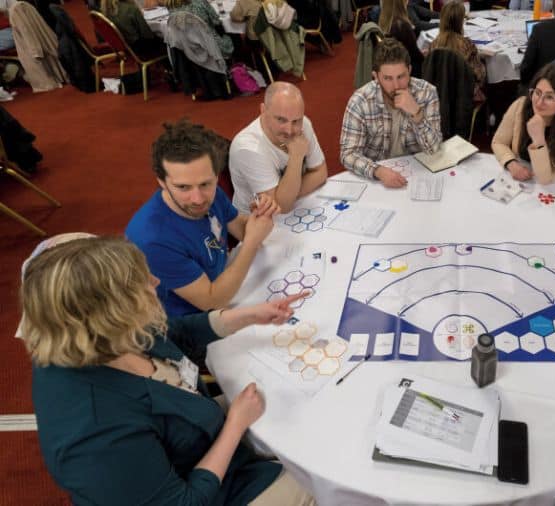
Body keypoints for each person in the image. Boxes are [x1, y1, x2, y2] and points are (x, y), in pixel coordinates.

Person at [21, 236, 316, 505]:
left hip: (199, 434)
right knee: (315, 487)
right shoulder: (96, 433)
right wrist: (235, 425)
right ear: (109, 314)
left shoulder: (100, 334)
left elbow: (175, 333)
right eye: (141, 284)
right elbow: (182, 502)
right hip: (214, 492)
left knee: (289, 398)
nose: (156, 281)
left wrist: (249, 315)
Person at [126, 119, 279, 317]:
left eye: (206, 184)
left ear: (216, 175)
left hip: (224, 283)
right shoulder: (152, 239)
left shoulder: (212, 194)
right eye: (183, 187)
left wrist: (259, 216)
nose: (198, 199)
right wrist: (251, 242)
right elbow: (211, 301)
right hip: (190, 324)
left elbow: (240, 229)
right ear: (162, 182)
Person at [339, 38, 441, 188]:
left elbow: (434, 149)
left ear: (410, 71)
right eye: (387, 78)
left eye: (401, 76)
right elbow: (348, 154)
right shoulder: (360, 102)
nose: (396, 86)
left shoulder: (427, 93)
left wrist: (417, 113)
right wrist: (378, 171)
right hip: (377, 179)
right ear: (376, 76)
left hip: (417, 174)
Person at [230, 82, 328, 215]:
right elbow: (282, 206)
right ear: (263, 110)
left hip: (296, 207)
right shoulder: (248, 148)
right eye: (281, 120)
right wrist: (296, 157)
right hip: (254, 222)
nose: (289, 130)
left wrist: (288, 194)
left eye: (296, 121)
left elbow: (321, 172)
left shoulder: (304, 124)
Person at [491, 62, 555, 185]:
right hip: (526, 180)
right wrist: (511, 163)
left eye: (549, 97)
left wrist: (539, 140)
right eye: (537, 92)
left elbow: (546, 177)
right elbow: (499, 142)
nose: (539, 102)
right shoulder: (521, 106)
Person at [430, 0, 486, 102]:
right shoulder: (467, 44)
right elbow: (479, 75)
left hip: (440, 95)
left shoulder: (434, 44)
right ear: (460, 22)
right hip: (464, 96)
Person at [165, 0, 234, 58]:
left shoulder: (171, 6)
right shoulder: (200, 2)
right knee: (233, 35)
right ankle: (237, 67)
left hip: (189, 48)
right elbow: (216, 22)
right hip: (211, 46)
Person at [99, 0, 165, 59]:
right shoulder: (131, 9)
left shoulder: (106, 9)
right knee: (169, 39)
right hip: (140, 49)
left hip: (125, 48)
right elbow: (147, 35)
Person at [378, 0, 425, 76]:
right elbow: (416, 56)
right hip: (409, 69)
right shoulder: (402, 26)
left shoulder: (384, 21)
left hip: (393, 65)